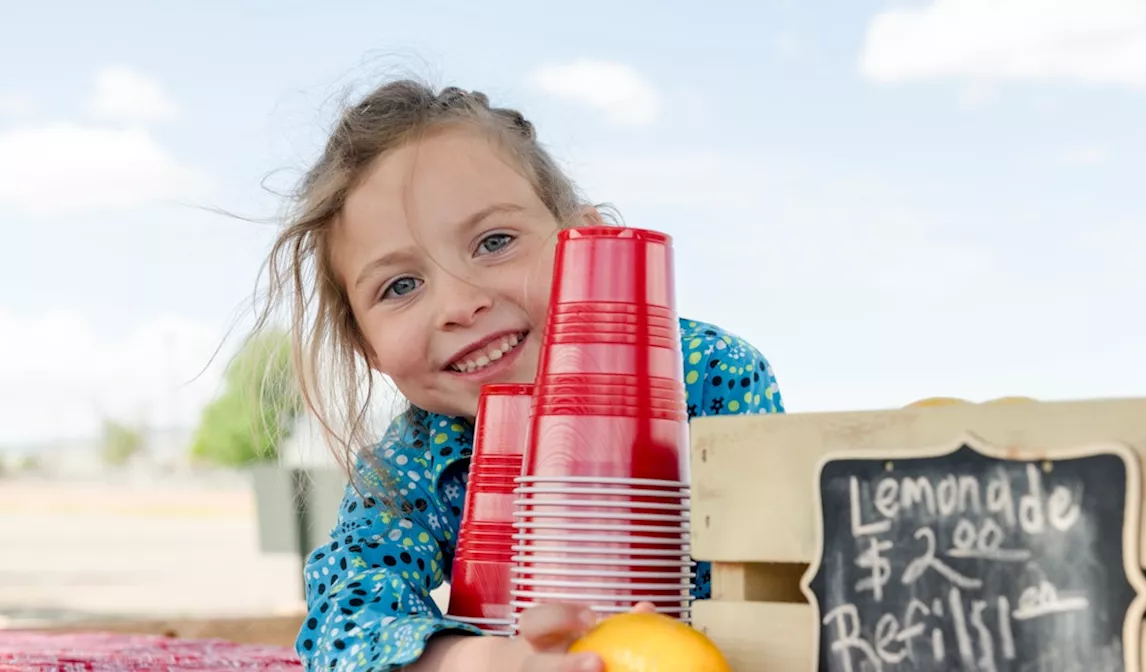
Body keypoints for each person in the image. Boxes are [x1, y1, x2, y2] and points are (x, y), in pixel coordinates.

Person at [252, 77, 786, 672]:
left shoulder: (707, 375)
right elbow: (344, 615)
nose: (459, 304)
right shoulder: (413, 460)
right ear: (366, 346)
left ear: (587, 241)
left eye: (495, 241)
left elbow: (781, 572)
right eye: (400, 285)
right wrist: (484, 663)